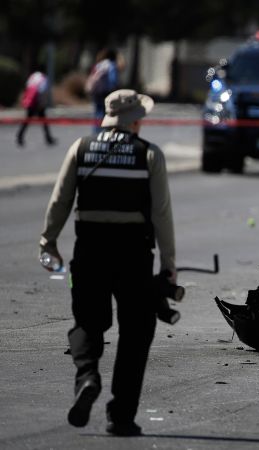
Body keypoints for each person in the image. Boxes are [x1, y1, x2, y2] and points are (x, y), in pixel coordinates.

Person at [39, 89, 175, 436]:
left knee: (87, 321)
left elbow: (60, 200)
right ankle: (121, 416)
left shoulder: (81, 148)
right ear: (135, 121)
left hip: (90, 249)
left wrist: (48, 241)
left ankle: (87, 377)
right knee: (136, 332)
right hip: (134, 254)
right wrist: (169, 264)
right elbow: (161, 213)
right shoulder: (149, 155)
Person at [16, 65, 57, 147]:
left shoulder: (32, 77)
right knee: (44, 121)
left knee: (27, 120)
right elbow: (43, 91)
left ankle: (20, 135)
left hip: (30, 102)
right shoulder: (43, 78)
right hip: (38, 102)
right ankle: (48, 138)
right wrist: (43, 104)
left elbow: (27, 87)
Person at [85, 48, 119, 132]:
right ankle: (104, 131)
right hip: (106, 92)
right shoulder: (111, 65)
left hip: (96, 92)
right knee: (106, 113)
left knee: (98, 112)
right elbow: (113, 80)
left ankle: (96, 132)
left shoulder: (99, 65)